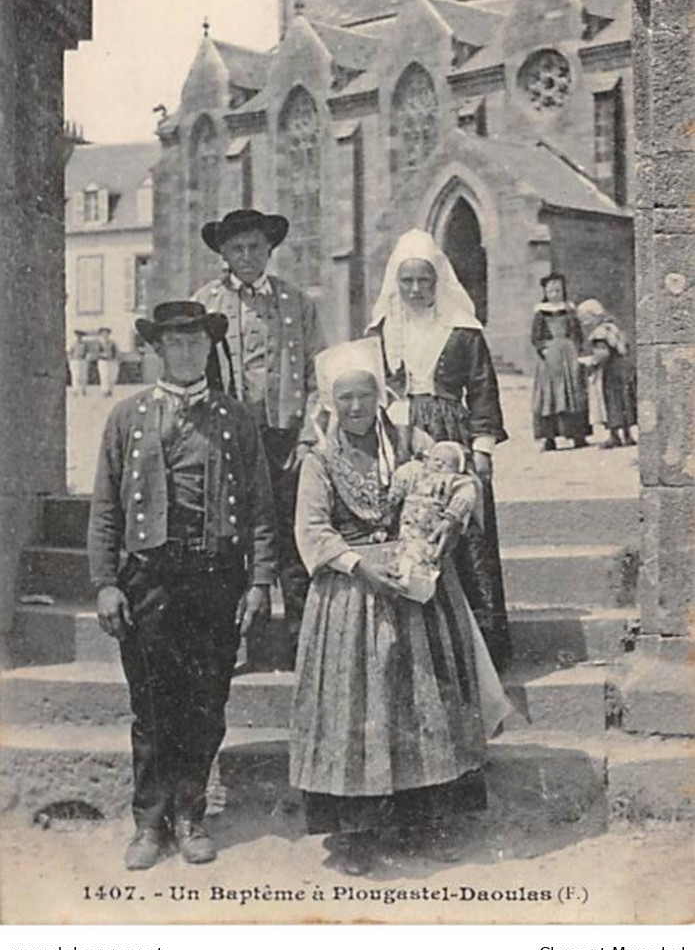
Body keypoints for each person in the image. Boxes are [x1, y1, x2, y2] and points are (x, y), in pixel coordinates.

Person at [291, 339, 511, 875]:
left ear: (381, 396)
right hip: (351, 595)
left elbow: (460, 483)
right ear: (331, 402)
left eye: (365, 395)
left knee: (422, 702)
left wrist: (450, 525)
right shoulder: (320, 461)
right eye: (344, 399)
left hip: (419, 593)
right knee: (357, 709)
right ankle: (357, 835)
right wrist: (361, 566)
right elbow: (312, 530)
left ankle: (425, 822)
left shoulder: (412, 442)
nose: (356, 407)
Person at [88, 301, 276, 871]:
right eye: (176, 342)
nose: (187, 351)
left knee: (205, 702)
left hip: (215, 576)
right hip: (147, 578)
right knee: (150, 704)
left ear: (207, 348)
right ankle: (149, 821)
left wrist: (260, 581)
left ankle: (190, 815)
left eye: (196, 341)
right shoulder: (128, 417)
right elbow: (103, 511)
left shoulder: (235, 418)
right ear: (159, 349)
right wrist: (104, 583)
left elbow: (263, 510)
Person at [366, 228, 511, 670]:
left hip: (453, 435)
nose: (414, 289)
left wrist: (482, 449)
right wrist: (401, 428)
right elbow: (375, 388)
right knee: (406, 528)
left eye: (423, 280)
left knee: (464, 532)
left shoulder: (463, 330)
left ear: (438, 281)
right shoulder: (385, 329)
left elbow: (483, 390)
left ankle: (478, 644)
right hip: (399, 437)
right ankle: (416, 643)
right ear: (396, 281)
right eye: (407, 280)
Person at [193, 208, 326, 655]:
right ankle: (231, 644)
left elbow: (317, 375)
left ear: (269, 250)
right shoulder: (205, 303)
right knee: (230, 539)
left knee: (290, 537)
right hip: (225, 440)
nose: (247, 256)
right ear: (224, 254)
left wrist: (309, 435)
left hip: (283, 438)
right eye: (237, 249)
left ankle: (301, 643)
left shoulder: (295, 302)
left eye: (255, 247)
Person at [387, 441, 482, 601]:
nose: (440, 464)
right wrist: (394, 495)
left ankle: (422, 582)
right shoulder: (415, 472)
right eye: (436, 459)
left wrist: (451, 516)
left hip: (435, 522)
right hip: (409, 521)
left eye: (447, 462)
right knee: (405, 550)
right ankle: (404, 579)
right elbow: (401, 478)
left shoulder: (455, 481)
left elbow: (465, 495)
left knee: (428, 554)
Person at [531, 273, 590, 451]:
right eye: (551, 291)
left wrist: (577, 350)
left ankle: (578, 435)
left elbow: (577, 333)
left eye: (558, 290)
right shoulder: (541, 312)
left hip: (569, 354)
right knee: (549, 396)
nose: (554, 294)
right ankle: (549, 438)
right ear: (545, 292)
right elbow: (536, 337)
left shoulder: (570, 310)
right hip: (550, 358)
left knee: (573, 393)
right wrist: (544, 349)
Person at [577, 299, 637, 448]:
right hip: (624, 367)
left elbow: (602, 353)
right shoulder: (614, 328)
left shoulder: (600, 332)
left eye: (586, 319)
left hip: (612, 369)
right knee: (624, 400)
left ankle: (615, 435)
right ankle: (627, 435)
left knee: (612, 400)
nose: (585, 324)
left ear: (595, 316)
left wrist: (590, 361)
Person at [96, 327, 119, 397]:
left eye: (107, 333)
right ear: (101, 334)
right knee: (104, 376)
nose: (105, 335)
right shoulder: (99, 343)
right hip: (103, 361)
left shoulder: (112, 343)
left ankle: (110, 390)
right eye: (103, 333)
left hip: (111, 361)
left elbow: (115, 352)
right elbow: (97, 352)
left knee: (112, 376)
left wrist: (115, 358)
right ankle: (104, 391)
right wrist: (103, 354)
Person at [68, 330, 88, 395]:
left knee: (83, 376)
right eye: (78, 335)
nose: (79, 337)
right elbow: (70, 353)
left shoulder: (84, 344)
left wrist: (86, 358)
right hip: (75, 360)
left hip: (82, 360)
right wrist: (70, 361)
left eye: (80, 336)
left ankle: (83, 390)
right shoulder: (72, 344)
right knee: (75, 376)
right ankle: (75, 390)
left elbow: (87, 352)